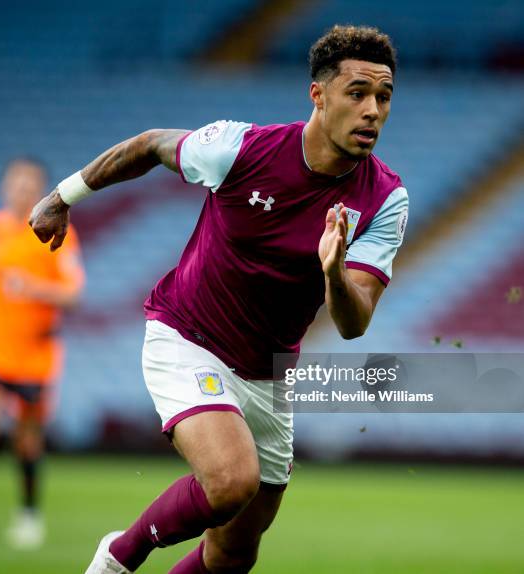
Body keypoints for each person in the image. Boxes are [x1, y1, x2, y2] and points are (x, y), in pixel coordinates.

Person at [30, 24, 408, 573]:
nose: (373, 109)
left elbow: (355, 322)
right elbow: (150, 145)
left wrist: (334, 273)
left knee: (233, 552)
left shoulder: (385, 198)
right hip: (188, 336)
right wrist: (64, 196)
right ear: (318, 95)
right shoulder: (241, 147)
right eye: (358, 93)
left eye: (384, 96)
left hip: (269, 373)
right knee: (231, 481)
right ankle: (118, 557)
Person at [0, 158, 85, 549]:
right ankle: (10, 447)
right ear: (4, 188)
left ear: (44, 193)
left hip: (37, 355)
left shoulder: (57, 232)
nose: (22, 190)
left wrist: (32, 288)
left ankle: (29, 514)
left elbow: (74, 294)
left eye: (31, 185)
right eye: (16, 183)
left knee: (29, 441)